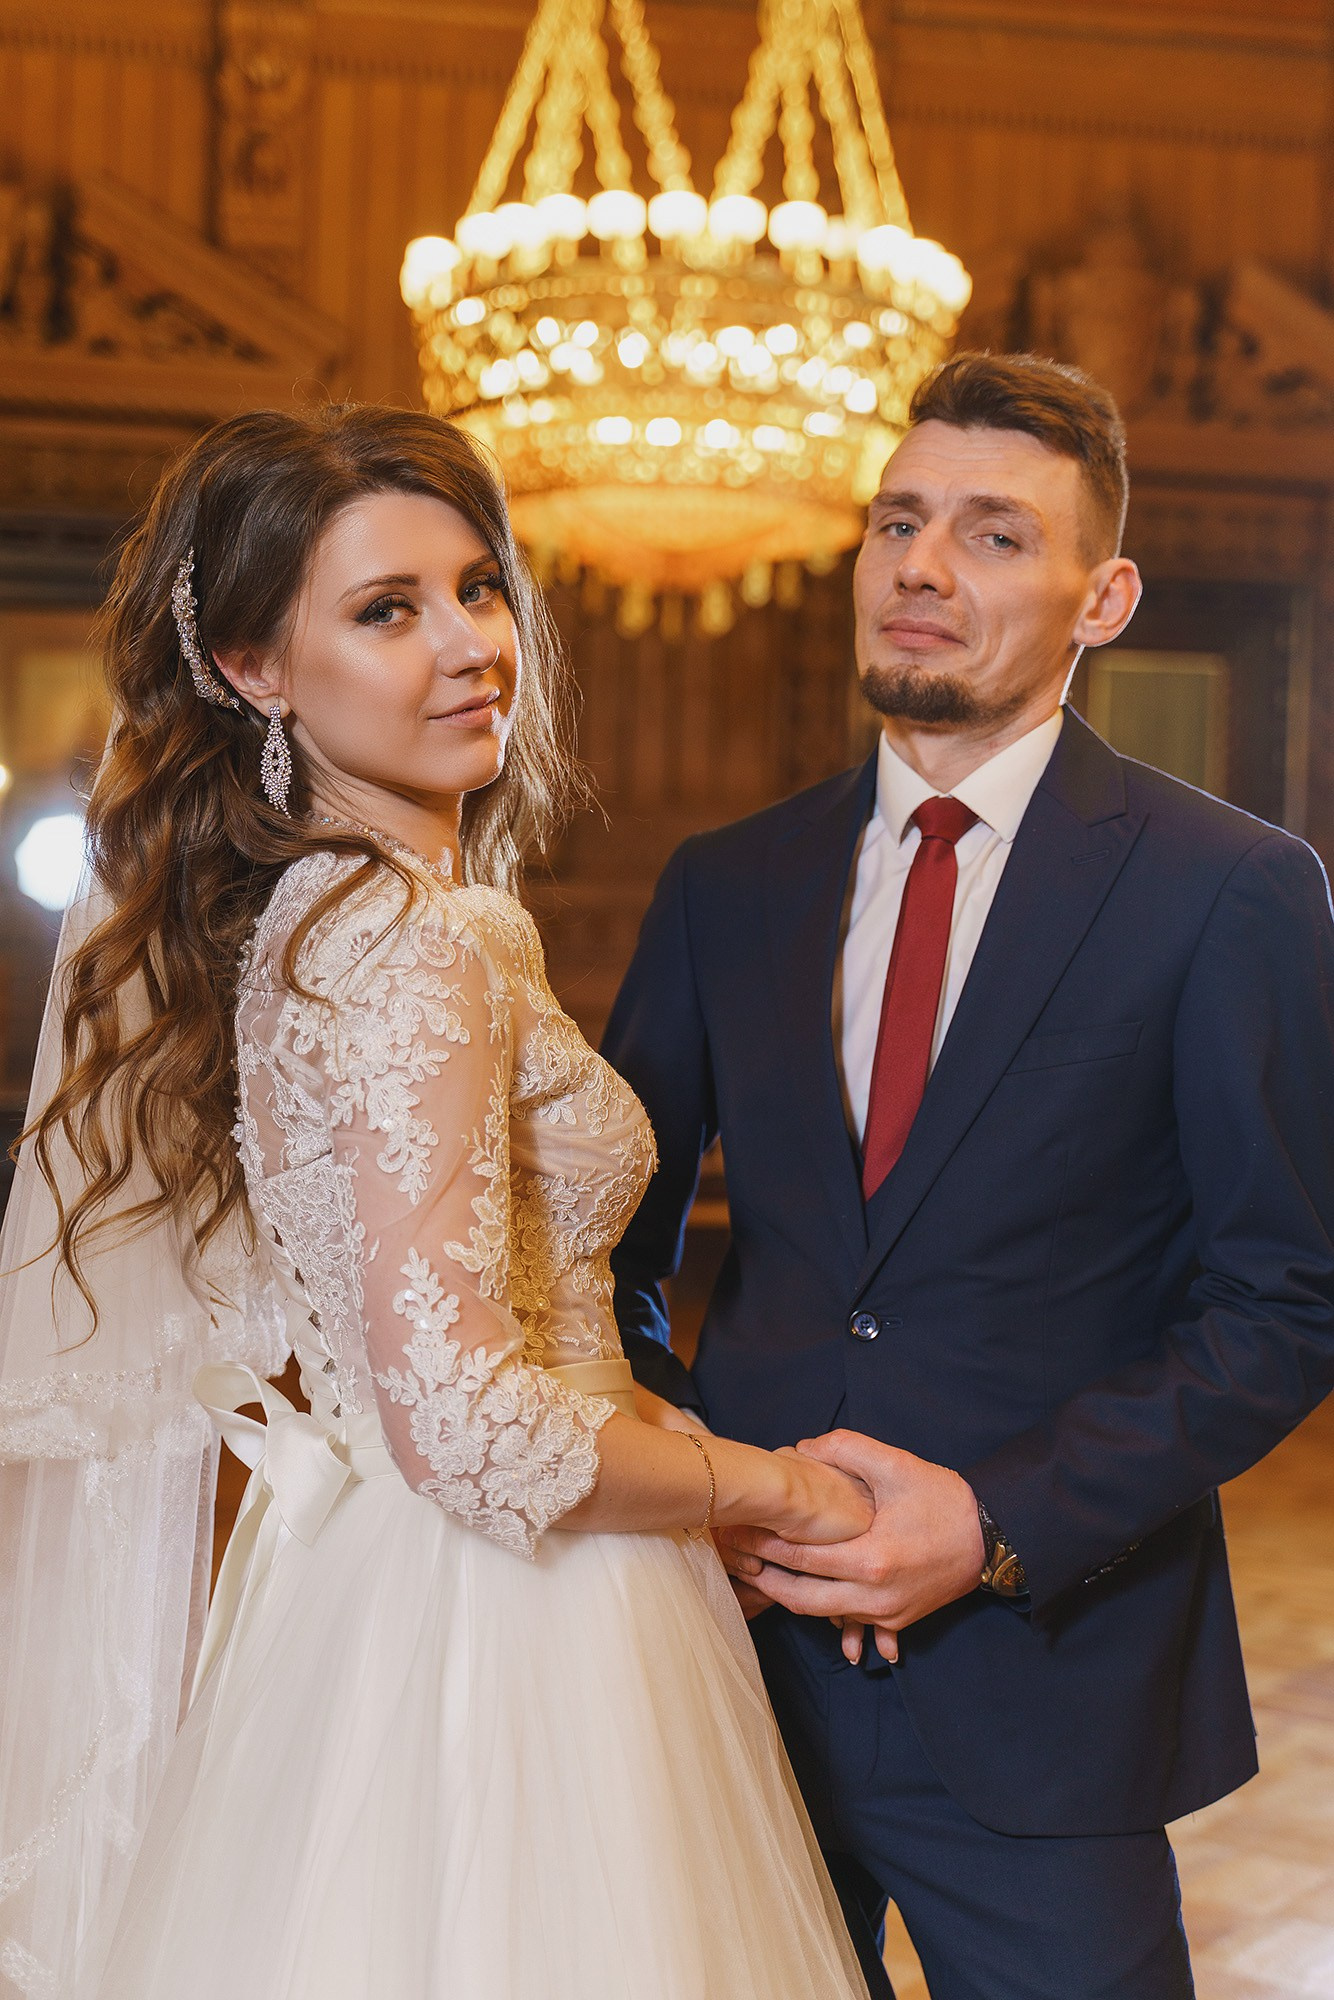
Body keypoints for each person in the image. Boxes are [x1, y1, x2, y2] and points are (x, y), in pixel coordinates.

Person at [0, 404, 876, 2000]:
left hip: (382, 1572)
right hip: (507, 1611)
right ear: (255, 667)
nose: (471, 645)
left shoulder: (329, 917)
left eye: (476, 588)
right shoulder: (410, 942)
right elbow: (471, 1428)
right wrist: (779, 1492)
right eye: (385, 610)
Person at [602, 351, 1334, 2000]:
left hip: (1043, 1680)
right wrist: (704, 1481)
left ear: (1103, 599)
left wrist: (995, 1522)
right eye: (897, 522)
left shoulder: (1227, 889)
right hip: (730, 1660)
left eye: (994, 534)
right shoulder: (728, 882)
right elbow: (603, 1255)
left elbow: (1286, 1300)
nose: (921, 566)